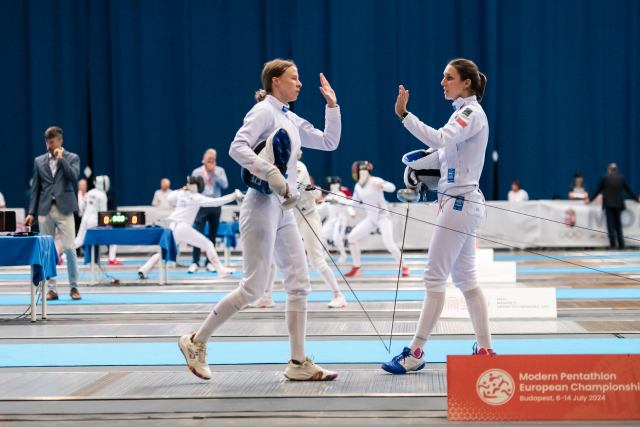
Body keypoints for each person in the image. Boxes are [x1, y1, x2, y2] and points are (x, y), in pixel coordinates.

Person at [177, 59, 341, 382]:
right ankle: (195, 341)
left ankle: (298, 363)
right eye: (294, 78)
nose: (300, 83)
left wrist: (332, 107)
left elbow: (328, 142)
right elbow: (236, 147)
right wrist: (269, 171)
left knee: (299, 282)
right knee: (253, 288)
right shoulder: (264, 111)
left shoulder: (288, 117)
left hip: (284, 209)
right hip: (261, 205)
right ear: (275, 81)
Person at [382, 58, 493, 374]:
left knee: (434, 277)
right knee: (466, 279)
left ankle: (415, 352)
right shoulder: (461, 113)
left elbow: (441, 138)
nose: (442, 82)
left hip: (459, 205)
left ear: (466, 82)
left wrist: (405, 116)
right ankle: (485, 349)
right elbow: (443, 153)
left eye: (449, 77)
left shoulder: (470, 113)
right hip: (460, 203)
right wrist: (416, 166)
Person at [251, 151, 347, 309]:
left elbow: (289, 187)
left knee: (316, 260)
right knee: (273, 257)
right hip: (290, 218)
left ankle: (339, 295)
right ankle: (266, 297)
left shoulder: (299, 167)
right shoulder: (277, 169)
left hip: (307, 216)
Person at [138, 177, 240, 279]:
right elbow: (215, 202)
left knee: (165, 250)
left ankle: (144, 268)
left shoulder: (181, 193)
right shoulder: (196, 197)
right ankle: (221, 270)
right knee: (208, 245)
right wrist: (233, 196)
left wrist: (181, 190)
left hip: (173, 226)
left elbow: (169, 198)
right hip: (183, 227)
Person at [25, 126, 81, 301]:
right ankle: (51, 289)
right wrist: (31, 212)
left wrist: (61, 159)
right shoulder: (39, 161)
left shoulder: (72, 158)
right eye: (47, 143)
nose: (49, 146)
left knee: (70, 248)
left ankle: (74, 287)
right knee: (47, 250)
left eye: (52, 142)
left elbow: (73, 176)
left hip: (65, 208)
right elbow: (35, 189)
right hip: (45, 209)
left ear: (60, 141)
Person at [344, 161, 409, 278]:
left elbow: (392, 187)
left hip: (383, 216)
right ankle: (357, 267)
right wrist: (339, 202)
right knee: (351, 237)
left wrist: (382, 186)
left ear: (362, 171)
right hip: (371, 219)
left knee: (389, 244)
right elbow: (354, 203)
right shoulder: (358, 186)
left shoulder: (375, 181)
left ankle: (404, 266)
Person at [189, 149, 229, 273]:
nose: (210, 161)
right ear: (204, 159)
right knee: (197, 234)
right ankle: (195, 262)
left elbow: (225, 185)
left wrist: (214, 172)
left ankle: (209, 262)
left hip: (215, 205)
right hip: (201, 206)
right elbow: (192, 190)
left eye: (213, 159)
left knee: (213, 234)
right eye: (208, 159)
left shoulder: (220, 171)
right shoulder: (197, 172)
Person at [74, 175, 122, 265]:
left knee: (79, 240)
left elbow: (82, 206)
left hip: (85, 219)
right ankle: (111, 259)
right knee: (112, 238)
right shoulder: (102, 195)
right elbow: (103, 214)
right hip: (95, 222)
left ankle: (63, 257)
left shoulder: (90, 192)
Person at [589, 163, 636, 249]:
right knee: (618, 225)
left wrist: (590, 199)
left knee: (610, 225)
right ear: (616, 170)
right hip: (618, 205)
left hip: (609, 205)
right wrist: (636, 199)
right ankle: (621, 245)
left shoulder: (605, 178)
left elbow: (598, 190)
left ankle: (613, 245)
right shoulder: (621, 178)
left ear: (609, 170)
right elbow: (628, 190)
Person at [320, 175, 355, 263]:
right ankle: (326, 254)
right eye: (332, 184)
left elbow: (347, 204)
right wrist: (311, 208)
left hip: (340, 220)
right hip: (331, 220)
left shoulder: (341, 195)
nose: (333, 185)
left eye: (334, 183)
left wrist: (351, 212)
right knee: (321, 236)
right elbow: (321, 208)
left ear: (338, 185)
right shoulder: (328, 196)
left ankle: (343, 254)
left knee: (337, 239)